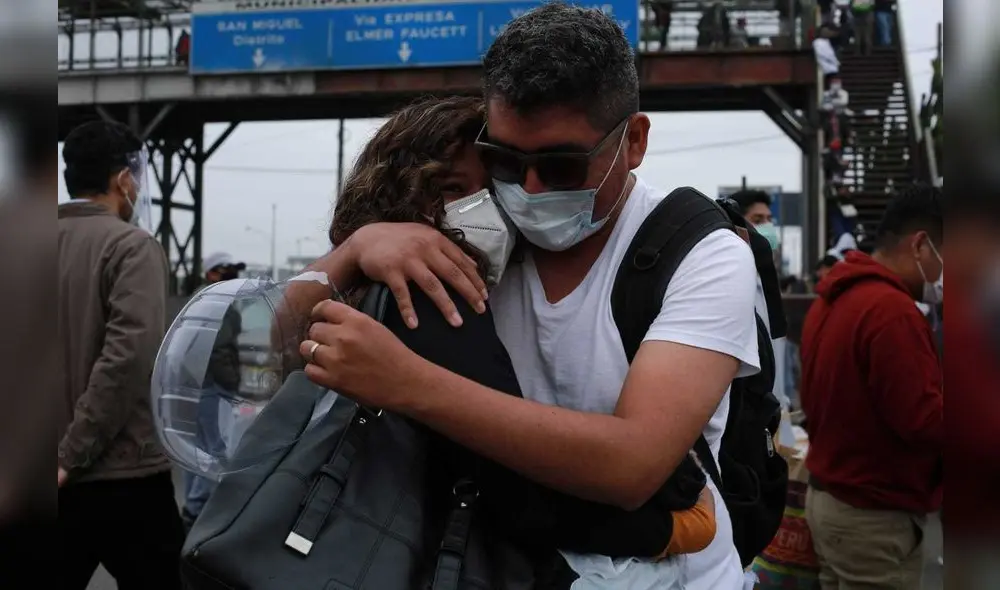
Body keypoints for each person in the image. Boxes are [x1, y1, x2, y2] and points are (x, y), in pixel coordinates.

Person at [292, 5, 763, 588]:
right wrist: (354, 250)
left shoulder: (702, 254)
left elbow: (632, 465)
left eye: (562, 165)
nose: (528, 190)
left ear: (633, 141)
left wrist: (406, 383)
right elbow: (269, 341)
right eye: (504, 161)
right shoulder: (470, 238)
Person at [325, 94, 718, 575]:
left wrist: (350, 251)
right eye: (449, 189)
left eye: (491, 190)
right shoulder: (428, 295)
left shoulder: (356, 286)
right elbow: (506, 488)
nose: (475, 210)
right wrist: (668, 530)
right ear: (399, 195)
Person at [57, 121, 184, 589]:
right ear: (124, 180)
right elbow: (127, 357)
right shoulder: (131, 247)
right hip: (123, 474)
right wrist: (72, 454)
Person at [800, 184, 943, 590]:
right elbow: (923, 421)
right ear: (921, 245)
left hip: (832, 499)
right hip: (873, 515)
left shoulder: (835, 296)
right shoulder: (892, 312)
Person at [180, 252, 247, 530]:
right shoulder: (218, 304)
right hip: (213, 386)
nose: (234, 274)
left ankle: (191, 507)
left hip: (195, 384)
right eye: (227, 270)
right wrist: (232, 382)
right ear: (211, 274)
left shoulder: (200, 300)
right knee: (216, 450)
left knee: (195, 450)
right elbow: (219, 349)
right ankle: (196, 512)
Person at [813, 24, 841, 90]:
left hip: (834, 69)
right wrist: (834, 60)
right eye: (824, 31)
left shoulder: (829, 42)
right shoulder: (817, 42)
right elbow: (823, 54)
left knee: (835, 87)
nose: (826, 33)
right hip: (826, 70)